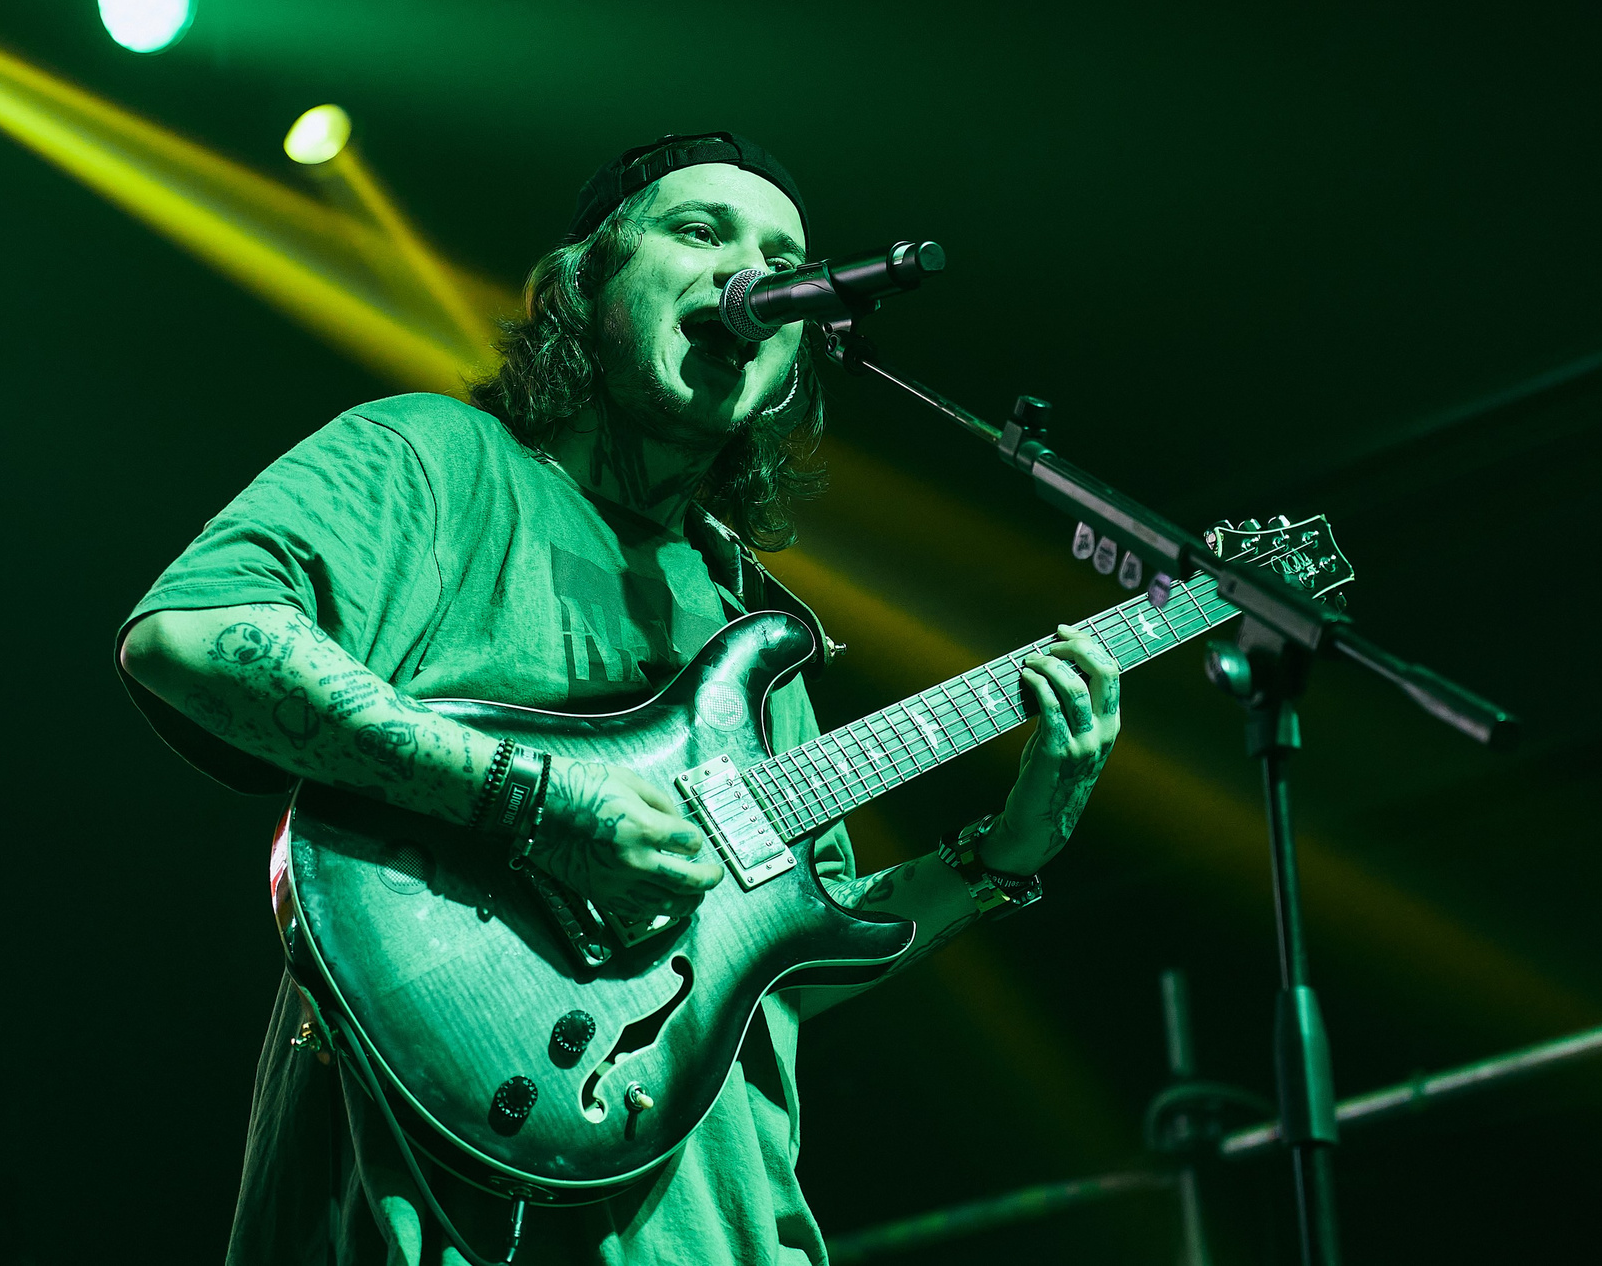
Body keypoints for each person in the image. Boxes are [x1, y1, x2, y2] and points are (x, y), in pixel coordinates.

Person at [116, 133, 1121, 1266]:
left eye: (783, 257)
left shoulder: (754, 628)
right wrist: (542, 806)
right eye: (701, 233)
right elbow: (192, 636)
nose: (752, 273)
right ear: (576, 284)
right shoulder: (439, 462)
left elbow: (792, 957)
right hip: (434, 1208)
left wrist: (1006, 853)